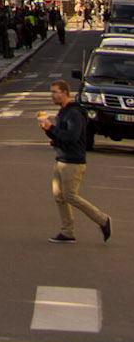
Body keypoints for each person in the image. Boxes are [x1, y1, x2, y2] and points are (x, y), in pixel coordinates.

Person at [38, 79, 111, 244]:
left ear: (65, 93)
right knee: (59, 196)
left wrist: (52, 128)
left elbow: (72, 137)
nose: (52, 95)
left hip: (73, 161)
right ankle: (67, 232)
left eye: (55, 92)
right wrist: (48, 130)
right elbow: (59, 136)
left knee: (70, 196)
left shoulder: (74, 114)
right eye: (51, 92)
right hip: (61, 158)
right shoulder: (63, 112)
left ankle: (103, 220)